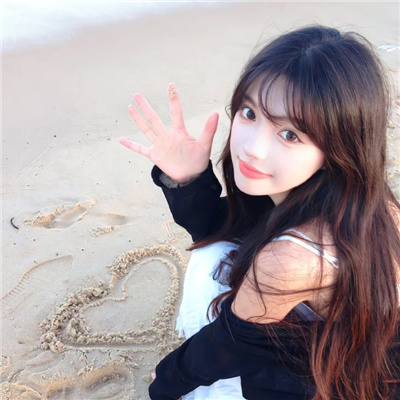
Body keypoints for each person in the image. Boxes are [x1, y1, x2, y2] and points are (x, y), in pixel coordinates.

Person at [120, 25, 400, 400]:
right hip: (337, 351)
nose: (252, 148)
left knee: (209, 268)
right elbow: (227, 227)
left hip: (341, 382)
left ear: (339, 146)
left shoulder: (290, 260)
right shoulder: (359, 195)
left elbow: (225, 346)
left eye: (290, 134)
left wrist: (165, 382)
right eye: (250, 113)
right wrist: (188, 180)